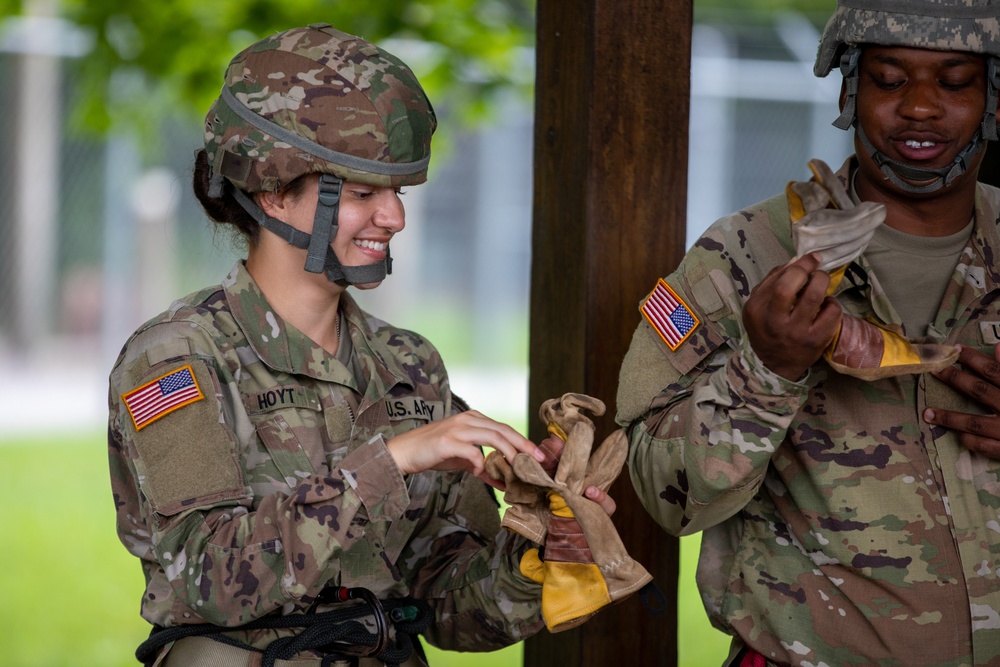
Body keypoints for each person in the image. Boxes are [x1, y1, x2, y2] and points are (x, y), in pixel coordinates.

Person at [107, 24, 615, 667]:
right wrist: (390, 463)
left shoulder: (409, 365)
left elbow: (452, 610)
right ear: (272, 190)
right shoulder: (177, 359)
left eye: (396, 192)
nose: (394, 217)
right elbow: (210, 581)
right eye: (362, 193)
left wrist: (542, 542)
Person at [616, 1, 1000, 665]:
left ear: (993, 99)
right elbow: (662, 496)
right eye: (888, 78)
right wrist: (765, 369)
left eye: (955, 81)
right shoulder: (746, 254)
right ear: (850, 90)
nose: (919, 107)